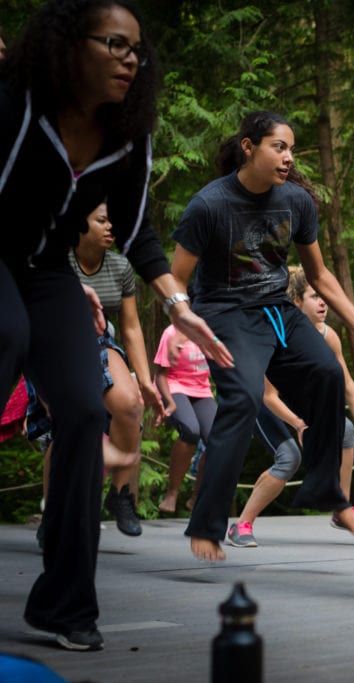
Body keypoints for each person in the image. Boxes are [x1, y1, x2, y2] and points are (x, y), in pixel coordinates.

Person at [0, 0, 230, 651]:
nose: (131, 58)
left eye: (137, 49)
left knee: (82, 407)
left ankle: (64, 604)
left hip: (45, 269)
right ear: (70, 47)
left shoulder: (126, 132)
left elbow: (133, 228)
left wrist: (179, 305)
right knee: (8, 333)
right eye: (113, 43)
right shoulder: (17, 102)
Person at [172, 110, 354, 562]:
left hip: (277, 309)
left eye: (291, 149)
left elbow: (319, 274)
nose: (287, 157)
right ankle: (206, 523)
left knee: (326, 371)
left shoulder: (298, 202)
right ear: (249, 147)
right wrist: (186, 321)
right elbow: (176, 280)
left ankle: (328, 491)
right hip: (225, 313)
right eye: (277, 147)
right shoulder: (209, 205)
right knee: (243, 398)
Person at [225, 266, 354, 547]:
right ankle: (242, 525)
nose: (322, 302)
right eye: (313, 296)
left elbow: (347, 385)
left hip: (297, 407)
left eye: (323, 297)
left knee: (344, 428)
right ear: (295, 302)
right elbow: (269, 396)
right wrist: (299, 424)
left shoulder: (327, 336)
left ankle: (339, 508)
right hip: (265, 405)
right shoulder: (274, 334)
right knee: (289, 458)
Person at [71, 202, 170, 535]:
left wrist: (145, 383)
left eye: (114, 220)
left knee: (131, 405)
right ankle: (57, 508)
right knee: (67, 422)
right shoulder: (59, 262)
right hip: (57, 344)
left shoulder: (121, 267)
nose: (111, 226)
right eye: (101, 220)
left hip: (99, 342)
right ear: (80, 223)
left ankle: (119, 494)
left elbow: (130, 328)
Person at [154, 323, 215, 514]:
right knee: (190, 430)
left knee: (218, 440)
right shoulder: (171, 333)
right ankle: (172, 493)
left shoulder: (213, 330)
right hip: (173, 386)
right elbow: (160, 375)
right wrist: (169, 403)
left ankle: (197, 497)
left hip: (201, 390)